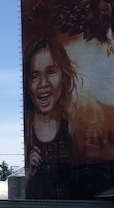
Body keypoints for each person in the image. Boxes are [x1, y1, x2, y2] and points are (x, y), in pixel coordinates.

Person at [24, 37, 77, 199]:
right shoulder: (26, 128)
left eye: (51, 72)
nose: (43, 83)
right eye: (35, 76)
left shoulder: (74, 126)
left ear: (64, 76)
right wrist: (30, 173)